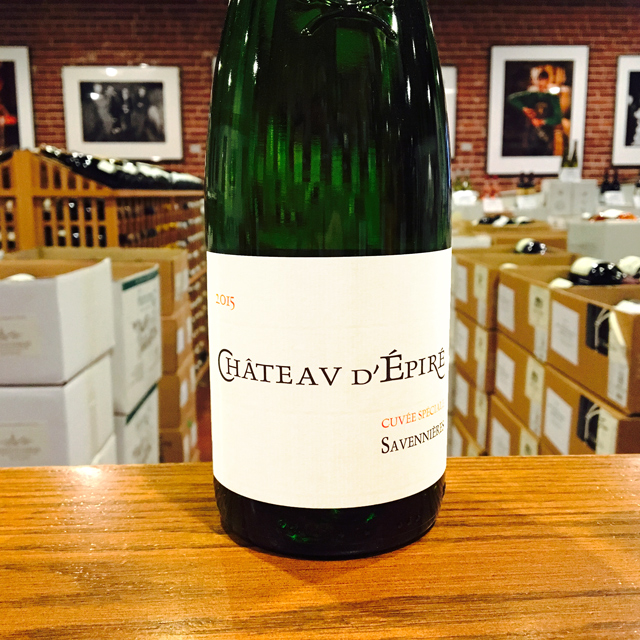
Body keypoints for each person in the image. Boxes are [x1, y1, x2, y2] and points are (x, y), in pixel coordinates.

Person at [507, 70, 563, 156]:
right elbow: (511, 98)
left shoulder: (552, 98)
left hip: (546, 137)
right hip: (529, 136)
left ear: (547, 82)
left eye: (544, 82)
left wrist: (542, 121)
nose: (541, 84)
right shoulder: (531, 95)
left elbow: (558, 118)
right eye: (540, 81)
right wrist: (524, 108)